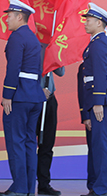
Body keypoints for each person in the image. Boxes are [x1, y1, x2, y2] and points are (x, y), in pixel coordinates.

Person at [0, 0, 46, 196]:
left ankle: (19, 188)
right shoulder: (33, 38)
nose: (7, 19)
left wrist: (7, 94)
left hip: (19, 96)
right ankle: (28, 188)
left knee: (16, 142)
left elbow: (13, 68)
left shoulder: (17, 37)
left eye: (9, 16)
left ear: (19, 17)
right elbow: (38, 69)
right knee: (29, 143)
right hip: (34, 96)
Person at [81, 3, 107, 196]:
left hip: (102, 103)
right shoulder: (97, 42)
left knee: (103, 147)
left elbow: (100, 73)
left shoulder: (98, 43)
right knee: (106, 147)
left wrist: (98, 102)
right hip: (104, 102)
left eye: (88, 20)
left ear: (99, 23)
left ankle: (102, 189)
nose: (85, 23)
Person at [36, 61, 65, 196]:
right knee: (29, 144)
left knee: (47, 145)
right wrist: (38, 90)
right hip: (33, 99)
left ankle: (44, 184)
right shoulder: (31, 49)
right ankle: (26, 183)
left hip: (50, 100)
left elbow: (61, 72)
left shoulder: (52, 50)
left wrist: (55, 57)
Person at [77, 62, 94, 196]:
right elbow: (82, 92)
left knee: (106, 152)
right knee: (94, 151)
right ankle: (94, 186)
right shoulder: (84, 67)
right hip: (92, 114)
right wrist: (85, 116)